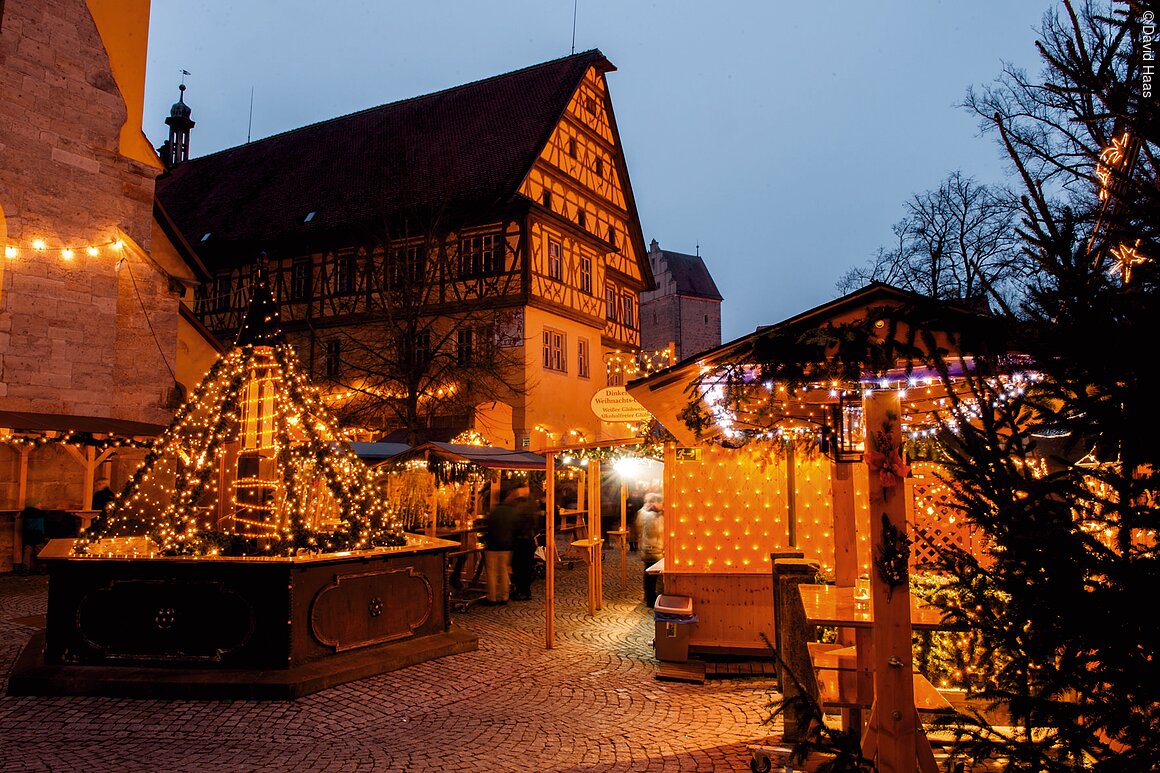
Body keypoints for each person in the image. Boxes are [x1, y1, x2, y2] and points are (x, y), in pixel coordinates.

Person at [482, 490, 519, 605]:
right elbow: (515, 528)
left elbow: (489, 527)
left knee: (492, 572)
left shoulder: (495, 511)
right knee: (503, 571)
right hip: (507, 545)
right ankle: (504, 596)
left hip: (493, 545)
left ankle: (492, 597)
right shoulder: (513, 511)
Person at [636, 492, 664, 607]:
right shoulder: (651, 516)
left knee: (649, 574)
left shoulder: (644, 513)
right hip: (653, 549)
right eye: (661, 503)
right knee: (652, 575)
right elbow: (656, 531)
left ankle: (649, 596)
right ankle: (651, 599)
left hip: (650, 547)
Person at [509, 495, 538, 601]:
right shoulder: (530, 514)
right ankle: (524, 591)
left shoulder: (519, 515)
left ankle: (521, 591)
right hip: (528, 542)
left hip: (521, 542)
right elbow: (536, 525)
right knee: (526, 568)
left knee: (519, 568)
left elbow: (515, 528)